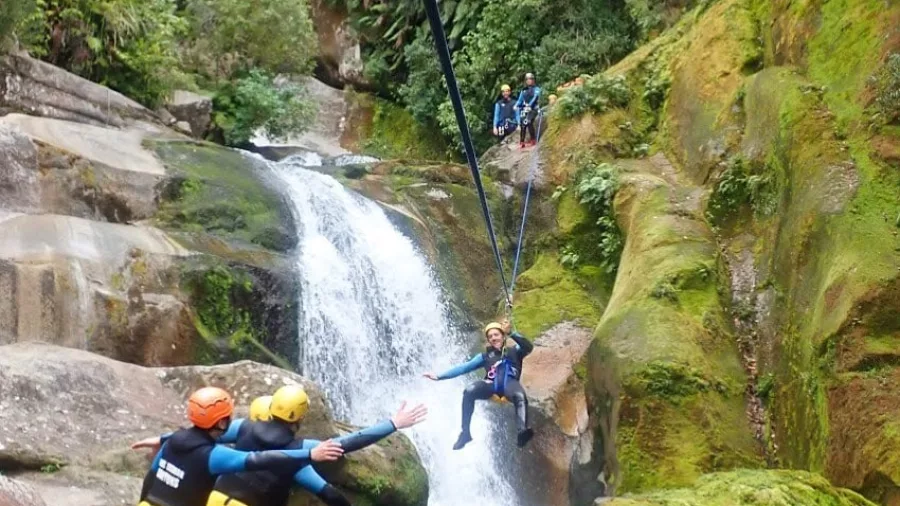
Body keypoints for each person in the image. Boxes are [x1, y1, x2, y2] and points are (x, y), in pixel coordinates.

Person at [207, 385, 428, 506]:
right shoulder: (301, 452)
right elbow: (349, 443)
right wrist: (394, 423)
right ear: (300, 418)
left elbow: (209, 436)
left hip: (215, 499)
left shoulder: (244, 426)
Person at [134, 387, 343, 506]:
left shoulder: (172, 442)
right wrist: (309, 454)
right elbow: (258, 459)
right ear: (222, 422)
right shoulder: (213, 455)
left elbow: (150, 480)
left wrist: (162, 439)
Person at [423, 320, 534, 450]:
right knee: (469, 391)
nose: (493, 338)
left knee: (519, 395)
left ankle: (522, 431)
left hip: (510, 384)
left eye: (496, 335)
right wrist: (439, 376)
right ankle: (465, 433)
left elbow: (528, 347)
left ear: (503, 336)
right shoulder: (484, 357)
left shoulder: (515, 351)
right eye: (490, 336)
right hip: (491, 385)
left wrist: (512, 333)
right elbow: (464, 368)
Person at [515, 72, 542, 148]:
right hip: (526, 109)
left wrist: (529, 105)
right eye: (527, 79)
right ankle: (522, 141)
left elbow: (535, 98)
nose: (529, 81)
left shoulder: (537, 89)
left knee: (528, 121)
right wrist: (516, 105)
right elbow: (520, 100)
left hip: (534, 108)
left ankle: (533, 139)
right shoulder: (523, 90)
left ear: (533, 80)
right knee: (523, 123)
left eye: (530, 79)